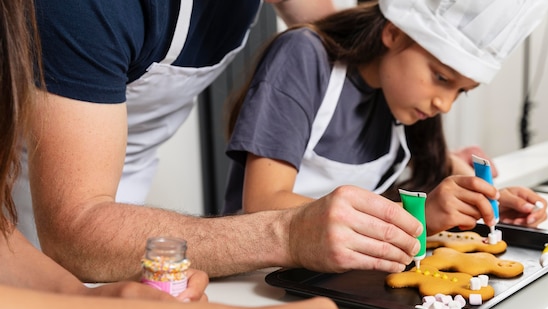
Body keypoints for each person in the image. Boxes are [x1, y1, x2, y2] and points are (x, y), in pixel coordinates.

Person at [0, 0, 390, 309]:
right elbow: (74, 228)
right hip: (41, 218)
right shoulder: (79, 10)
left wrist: (84, 302)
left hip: (61, 254)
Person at [15, 0, 424, 283]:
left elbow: (347, 33)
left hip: (128, 208)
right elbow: (74, 229)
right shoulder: (86, 10)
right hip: (28, 214)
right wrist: (287, 233)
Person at [223, 0, 548, 236]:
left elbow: (442, 166)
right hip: (259, 275)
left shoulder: (401, 98)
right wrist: (414, 217)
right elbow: (263, 203)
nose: (445, 104)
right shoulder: (305, 55)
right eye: (441, 78)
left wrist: (489, 203)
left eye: (462, 91)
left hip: (338, 272)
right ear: (393, 33)